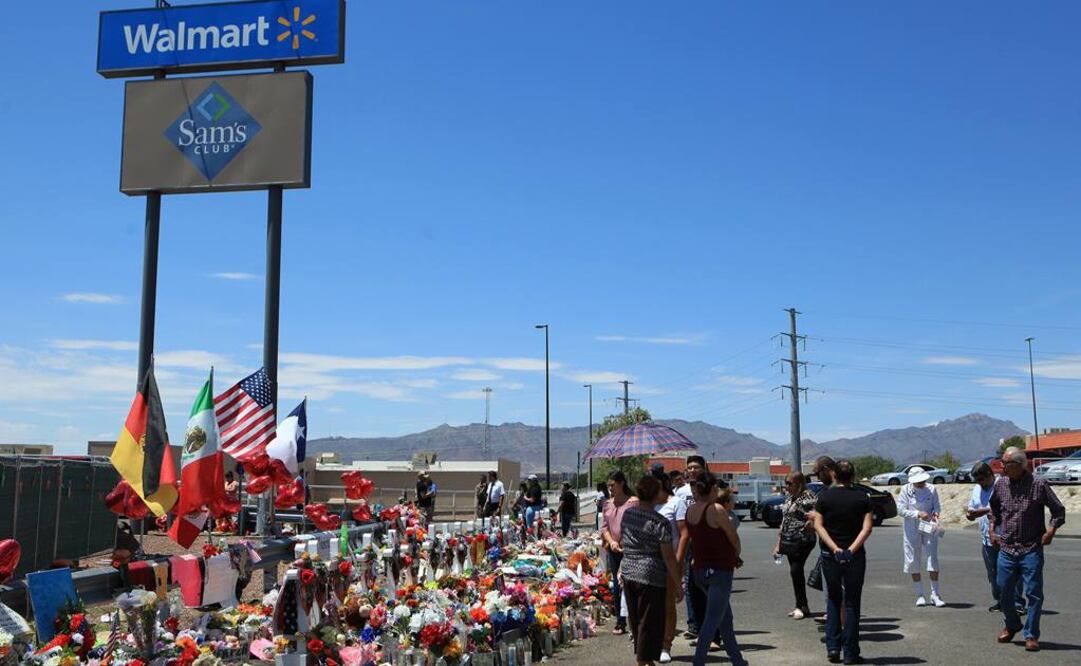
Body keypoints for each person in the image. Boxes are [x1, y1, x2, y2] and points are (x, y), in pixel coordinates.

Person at [989, 448, 1066, 652]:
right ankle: (1012, 624)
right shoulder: (1001, 484)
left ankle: (1031, 635)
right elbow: (994, 509)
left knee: (1034, 594)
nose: (1002, 467)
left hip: (1031, 548)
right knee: (1003, 592)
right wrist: (992, 530)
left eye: (1005, 464)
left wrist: (1051, 530)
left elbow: (1058, 510)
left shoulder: (1038, 484)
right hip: (1006, 547)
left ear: (1019, 465)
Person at [619, 475, 684, 666]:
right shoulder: (659, 522)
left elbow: (624, 541)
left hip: (629, 572)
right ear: (655, 494)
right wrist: (678, 583)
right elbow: (668, 557)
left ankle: (645, 661)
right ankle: (643, 662)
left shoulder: (628, 514)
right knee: (649, 623)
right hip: (651, 576)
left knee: (636, 620)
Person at [813, 459, 873, 665]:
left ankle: (833, 647)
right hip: (854, 556)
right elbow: (867, 528)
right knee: (852, 603)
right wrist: (850, 550)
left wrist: (834, 548)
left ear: (834, 475)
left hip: (831, 555)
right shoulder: (862, 498)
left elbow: (819, 525)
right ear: (853, 476)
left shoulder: (824, 497)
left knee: (833, 599)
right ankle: (850, 652)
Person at [685, 472, 746, 666]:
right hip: (719, 570)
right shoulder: (716, 509)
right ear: (712, 489)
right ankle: (699, 661)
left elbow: (693, 540)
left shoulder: (691, 511)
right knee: (712, 622)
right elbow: (732, 537)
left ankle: (738, 660)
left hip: (700, 570)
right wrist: (736, 554)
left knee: (724, 619)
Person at [966, 462, 1023, 612]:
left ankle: (1017, 602)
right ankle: (1000, 600)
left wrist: (982, 511)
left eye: (982, 480)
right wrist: (970, 514)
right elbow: (973, 507)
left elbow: (1006, 506)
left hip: (1006, 536)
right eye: (977, 480)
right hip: (986, 537)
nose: (980, 483)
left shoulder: (1003, 485)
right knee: (993, 571)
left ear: (990, 475)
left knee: (1011, 571)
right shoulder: (977, 488)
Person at [675, 455, 713, 638]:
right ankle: (694, 624)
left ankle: (711, 627)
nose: (692, 470)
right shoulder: (681, 492)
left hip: (706, 545)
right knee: (690, 585)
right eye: (689, 467)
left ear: (704, 468)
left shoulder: (712, 490)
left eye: (696, 467)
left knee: (706, 586)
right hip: (688, 543)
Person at [773, 472, 818, 620]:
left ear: (799, 483)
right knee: (795, 572)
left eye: (789, 483)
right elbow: (784, 521)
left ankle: (801, 605)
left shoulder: (808, 497)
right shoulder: (790, 498)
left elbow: (818, 513)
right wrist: (777, 544)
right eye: (785, 483)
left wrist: (811, 523)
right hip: (788, 540)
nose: (786, 486)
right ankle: (802, 605)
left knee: (795, 570)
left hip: (803, 540)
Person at [897, 470, 944, 607]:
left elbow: (937, 506)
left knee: (932, 558)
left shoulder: (931, 489)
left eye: (923, 480)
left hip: (928, 527)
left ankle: (935, 594)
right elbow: (900, 510)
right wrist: (917, 514)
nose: (921, 483)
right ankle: (920, 594)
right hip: (912, 528)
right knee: (912, 559)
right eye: (918, 481)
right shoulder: (905, 490)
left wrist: (935, 514)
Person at [652, 465, 682, 663]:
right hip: (650, 561)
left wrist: (678, 560)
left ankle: (666, 644)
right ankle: (652, 643)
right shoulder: (646, 505)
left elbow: (684, 533)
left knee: (668, 604)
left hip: (670, 559)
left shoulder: (676, 503)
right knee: (651, 605)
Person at [602, 471, 634, 635]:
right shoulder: (607, 504)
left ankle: (633, 620)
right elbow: (605, 527)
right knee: (616, 584)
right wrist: (612, 542)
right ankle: (620, 621)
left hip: (630, 549)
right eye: (608, 485)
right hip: (614, 549)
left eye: (613, 485)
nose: (610, 488)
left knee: (631, 584)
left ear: (622, 484)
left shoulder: (633, 503)